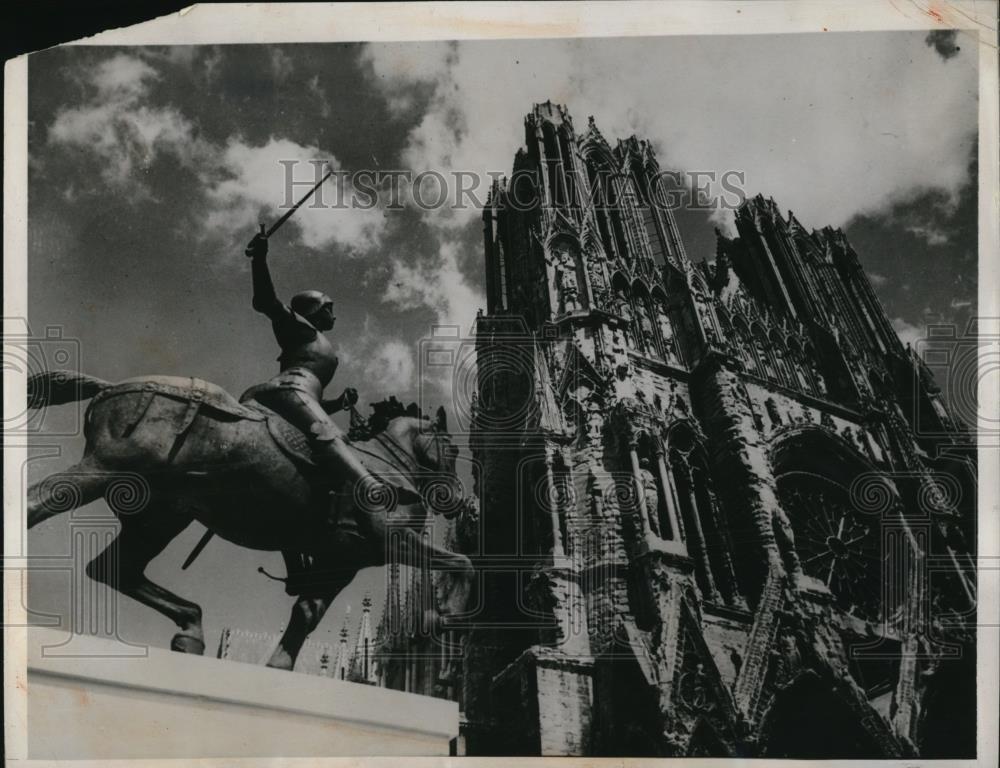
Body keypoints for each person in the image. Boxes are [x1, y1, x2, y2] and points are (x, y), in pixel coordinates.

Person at [243, 228, 387, 526]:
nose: (333, 315)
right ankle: (370, 487)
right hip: (289, 390)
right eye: (329, 308)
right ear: (315, 309)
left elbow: (312, 404)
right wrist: (260, 258)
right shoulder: (301, 327)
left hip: (298, 396)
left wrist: (337, 402)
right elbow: (265, 301)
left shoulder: (313, 337)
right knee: (332, 436)